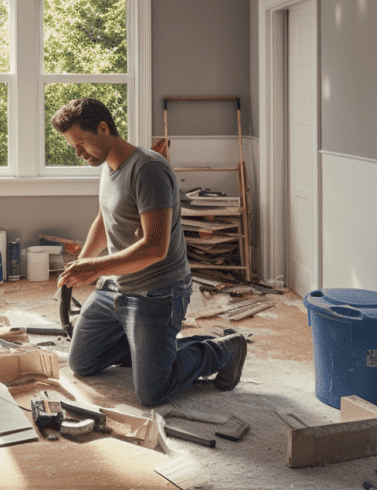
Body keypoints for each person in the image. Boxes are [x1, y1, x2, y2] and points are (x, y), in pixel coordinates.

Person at [52, 97, 247, 406]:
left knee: (152, 392)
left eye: (82, 144)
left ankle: (224, 350)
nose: (78, 154)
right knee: (83, 363)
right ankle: (149, 347)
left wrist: (96, 268)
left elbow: (156, 248)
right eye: (73, 147)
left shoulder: (149, 170)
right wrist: (81, 263)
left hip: (156, 291)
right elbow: (105, 219)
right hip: (117, 285)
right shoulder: (107, 165)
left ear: (104, 128)